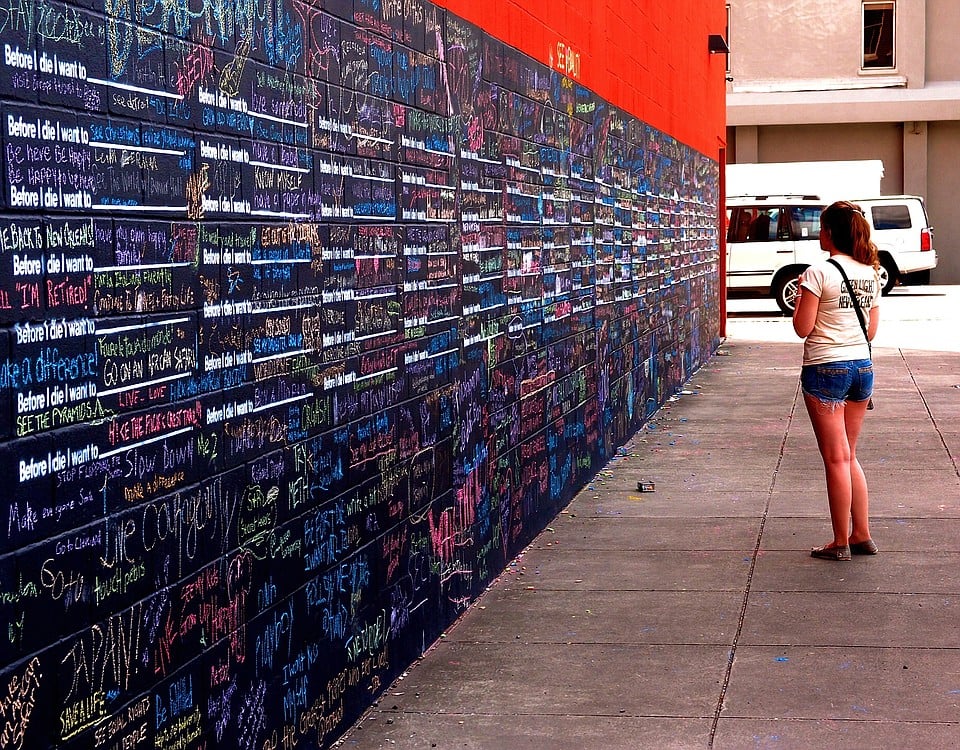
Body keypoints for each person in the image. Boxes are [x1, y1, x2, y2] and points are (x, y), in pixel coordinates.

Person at [792, 201, 881, 561]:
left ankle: (840, 542)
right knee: (849, 455)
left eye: (822, 227)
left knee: (835, 459)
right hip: (862, 368)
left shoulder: (817, 273)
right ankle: (862, 534)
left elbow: (802, 328)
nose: (818, 233)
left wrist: (802, 295)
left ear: (831, 232)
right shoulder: (870, 272)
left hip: (826, 370)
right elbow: (872, 329)